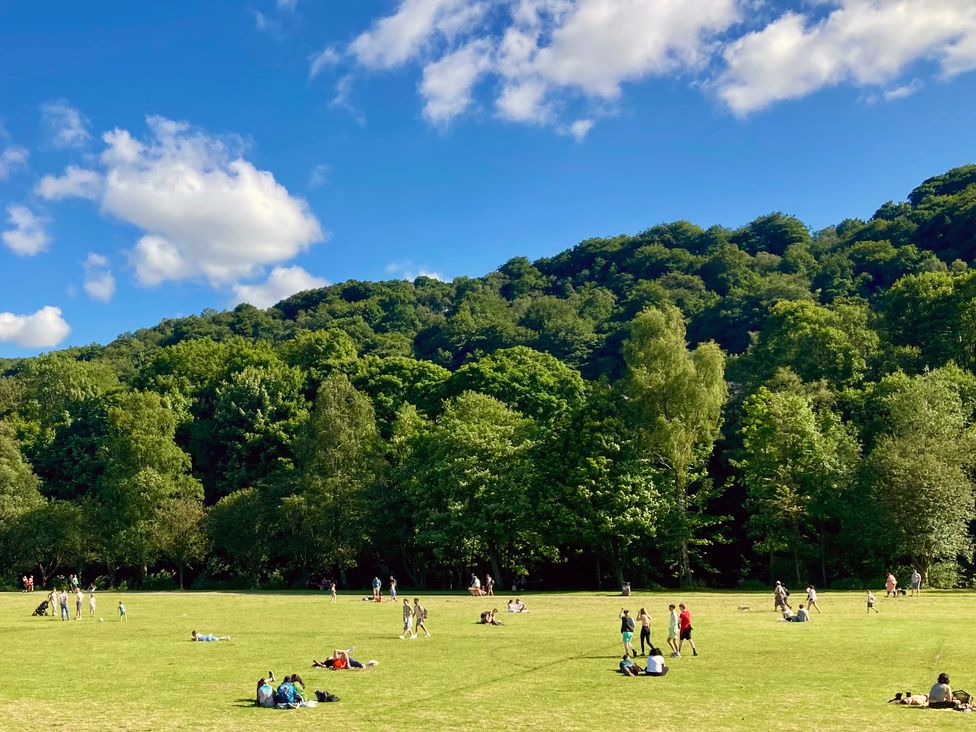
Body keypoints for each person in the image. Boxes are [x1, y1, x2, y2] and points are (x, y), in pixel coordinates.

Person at [312, 648, 377, 670]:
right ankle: (371, 665)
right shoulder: (328, 663)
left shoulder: (333, 660)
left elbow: (339, 653)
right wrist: (317, 662)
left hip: (346, 661)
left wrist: (317, 662)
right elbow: (323, 666)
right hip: (345, 662)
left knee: (362, 666)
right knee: (362, 666)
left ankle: (371, 665)